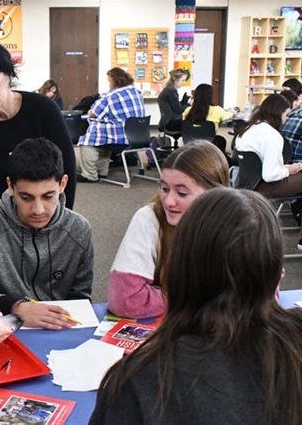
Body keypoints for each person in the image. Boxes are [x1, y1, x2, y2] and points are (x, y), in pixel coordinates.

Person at [90, 188, 302, 425]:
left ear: (181, 267)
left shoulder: (144, 377)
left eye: (182, 192)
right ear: (274, 268)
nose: (170, 200)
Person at [0, 138, 93, 330]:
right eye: (26, 197)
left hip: (58, 329)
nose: (38, 209)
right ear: (10, 186)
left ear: (63, 184)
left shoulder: (79, 229)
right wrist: (15, 307)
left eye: (48, 196)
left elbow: (81, 300)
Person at [0, 37, 76, 219]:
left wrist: (62, 221)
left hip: (42, 212)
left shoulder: (43, 110)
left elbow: (67, 169)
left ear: (9, 74)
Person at [108, 141, 229, 318]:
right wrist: (207, 297)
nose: (168, 201)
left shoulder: (241, 221)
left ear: (214, 194)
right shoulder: (149, 218)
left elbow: (263, 295)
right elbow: (125, 300)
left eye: (182, 193)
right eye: (164, 188)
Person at [235, 93, 302, 249]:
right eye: (286, 114)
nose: (286, 119)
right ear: (279, 113)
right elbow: (270, 175)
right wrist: (289, 170)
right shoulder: (272, 135)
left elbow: (260, 165)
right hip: (267, 185)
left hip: (247, 183)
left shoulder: (248, 128)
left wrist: (285, 169)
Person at [77, 68, 145, 183]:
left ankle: (90, 175)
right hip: (138, 135)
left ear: (114, 80)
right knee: (102, 139)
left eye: (109, 81)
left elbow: (92, 113)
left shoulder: (110, 96)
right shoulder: (136, 92)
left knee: (88, 141)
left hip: (120, 138)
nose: (109, 84)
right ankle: (102, 172)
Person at [182, 83, 236, 153]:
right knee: (221, 140)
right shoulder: (217, 110)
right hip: (209, 141)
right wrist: (234, 112)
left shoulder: (188, 110)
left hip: (189, 141)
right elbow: (228, 116)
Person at [157, 68, 190, 133]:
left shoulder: (168, 89)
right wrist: (189, 105)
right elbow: (179, 110)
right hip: (171, 123)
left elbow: (176, 106)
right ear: (176, 80)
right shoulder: (171, 91)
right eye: (182, 80)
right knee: (193, 126)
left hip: (168, 122)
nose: (184, 82)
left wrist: (185, 98)